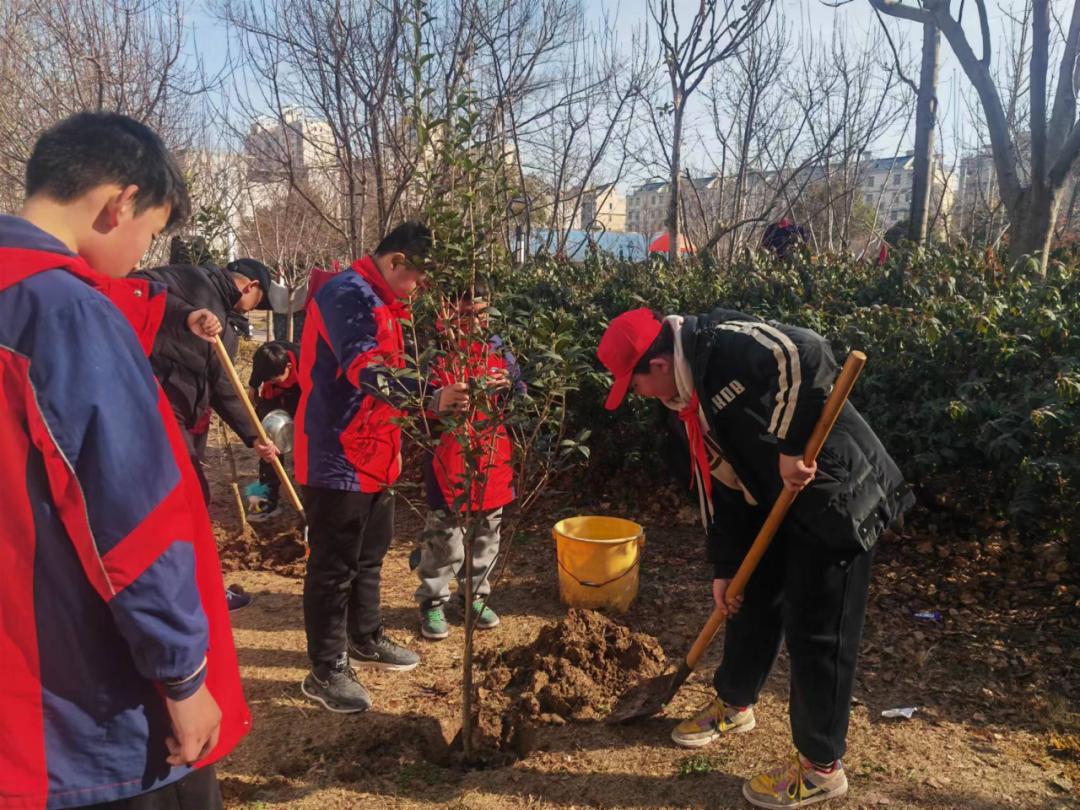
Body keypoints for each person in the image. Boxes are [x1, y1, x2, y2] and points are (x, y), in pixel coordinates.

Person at [0, 111, 249, 808]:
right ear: (120, 203)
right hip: (87, 712)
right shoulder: (62, 313)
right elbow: (130, 518)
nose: (144, 253)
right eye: (150, 230)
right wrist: (183, 676)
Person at [597, 307, 913, 809]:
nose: (632, 395)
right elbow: (717, 492)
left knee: (818, 631)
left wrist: (791, 447)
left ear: (657, 365)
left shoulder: (721, 344)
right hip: (774, 506)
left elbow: (805, 350)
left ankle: (821, 767)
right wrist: (726, 568)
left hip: (837, 497)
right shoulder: (683, 412)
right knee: (749, 599)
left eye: (630, 384)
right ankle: (735, 700)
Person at [295, 221, 468, 713]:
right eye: (417, 276)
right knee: (333, 565)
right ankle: (326, 668)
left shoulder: (388, 301)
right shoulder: (347, 295)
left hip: (378, 451)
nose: (421, 288)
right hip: (337, 453)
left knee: (370, 554)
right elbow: (366, 370)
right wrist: (429, 399)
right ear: (395, 263)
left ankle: (366, 636)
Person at [414, 286, 524, 640]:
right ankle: (433, 602)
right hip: (448, 460)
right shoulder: (430, 355)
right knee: (445, 537)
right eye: (464, 315)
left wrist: (509, 387)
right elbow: (413, 405)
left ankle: (474, 595)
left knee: (487, 533)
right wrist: (438, 402)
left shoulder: (499, 349)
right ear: (445, 315)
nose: (474, 323)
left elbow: (521, 395)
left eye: (481, 314)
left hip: (492, 455)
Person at [134, 256, 279, 504]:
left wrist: (255, 436)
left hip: (187, 416)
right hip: (152, 401)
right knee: (187, 495)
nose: (254, 310)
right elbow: (134, 285)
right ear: (251, 285)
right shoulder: (194, 279)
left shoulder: (228, 333)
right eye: (260, 301)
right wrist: (187, 315)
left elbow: (223, 387)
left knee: (192, 497)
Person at [244, 339, 301, 519]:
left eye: (274, 378)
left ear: (289, 367)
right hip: (273, 396)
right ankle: (268, 499)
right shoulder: (263, 357)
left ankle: (306, 495)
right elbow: (253, 390)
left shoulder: (305, 359)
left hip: (302, 393)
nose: (268, 380)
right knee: (269, 443)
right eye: (266, 379)